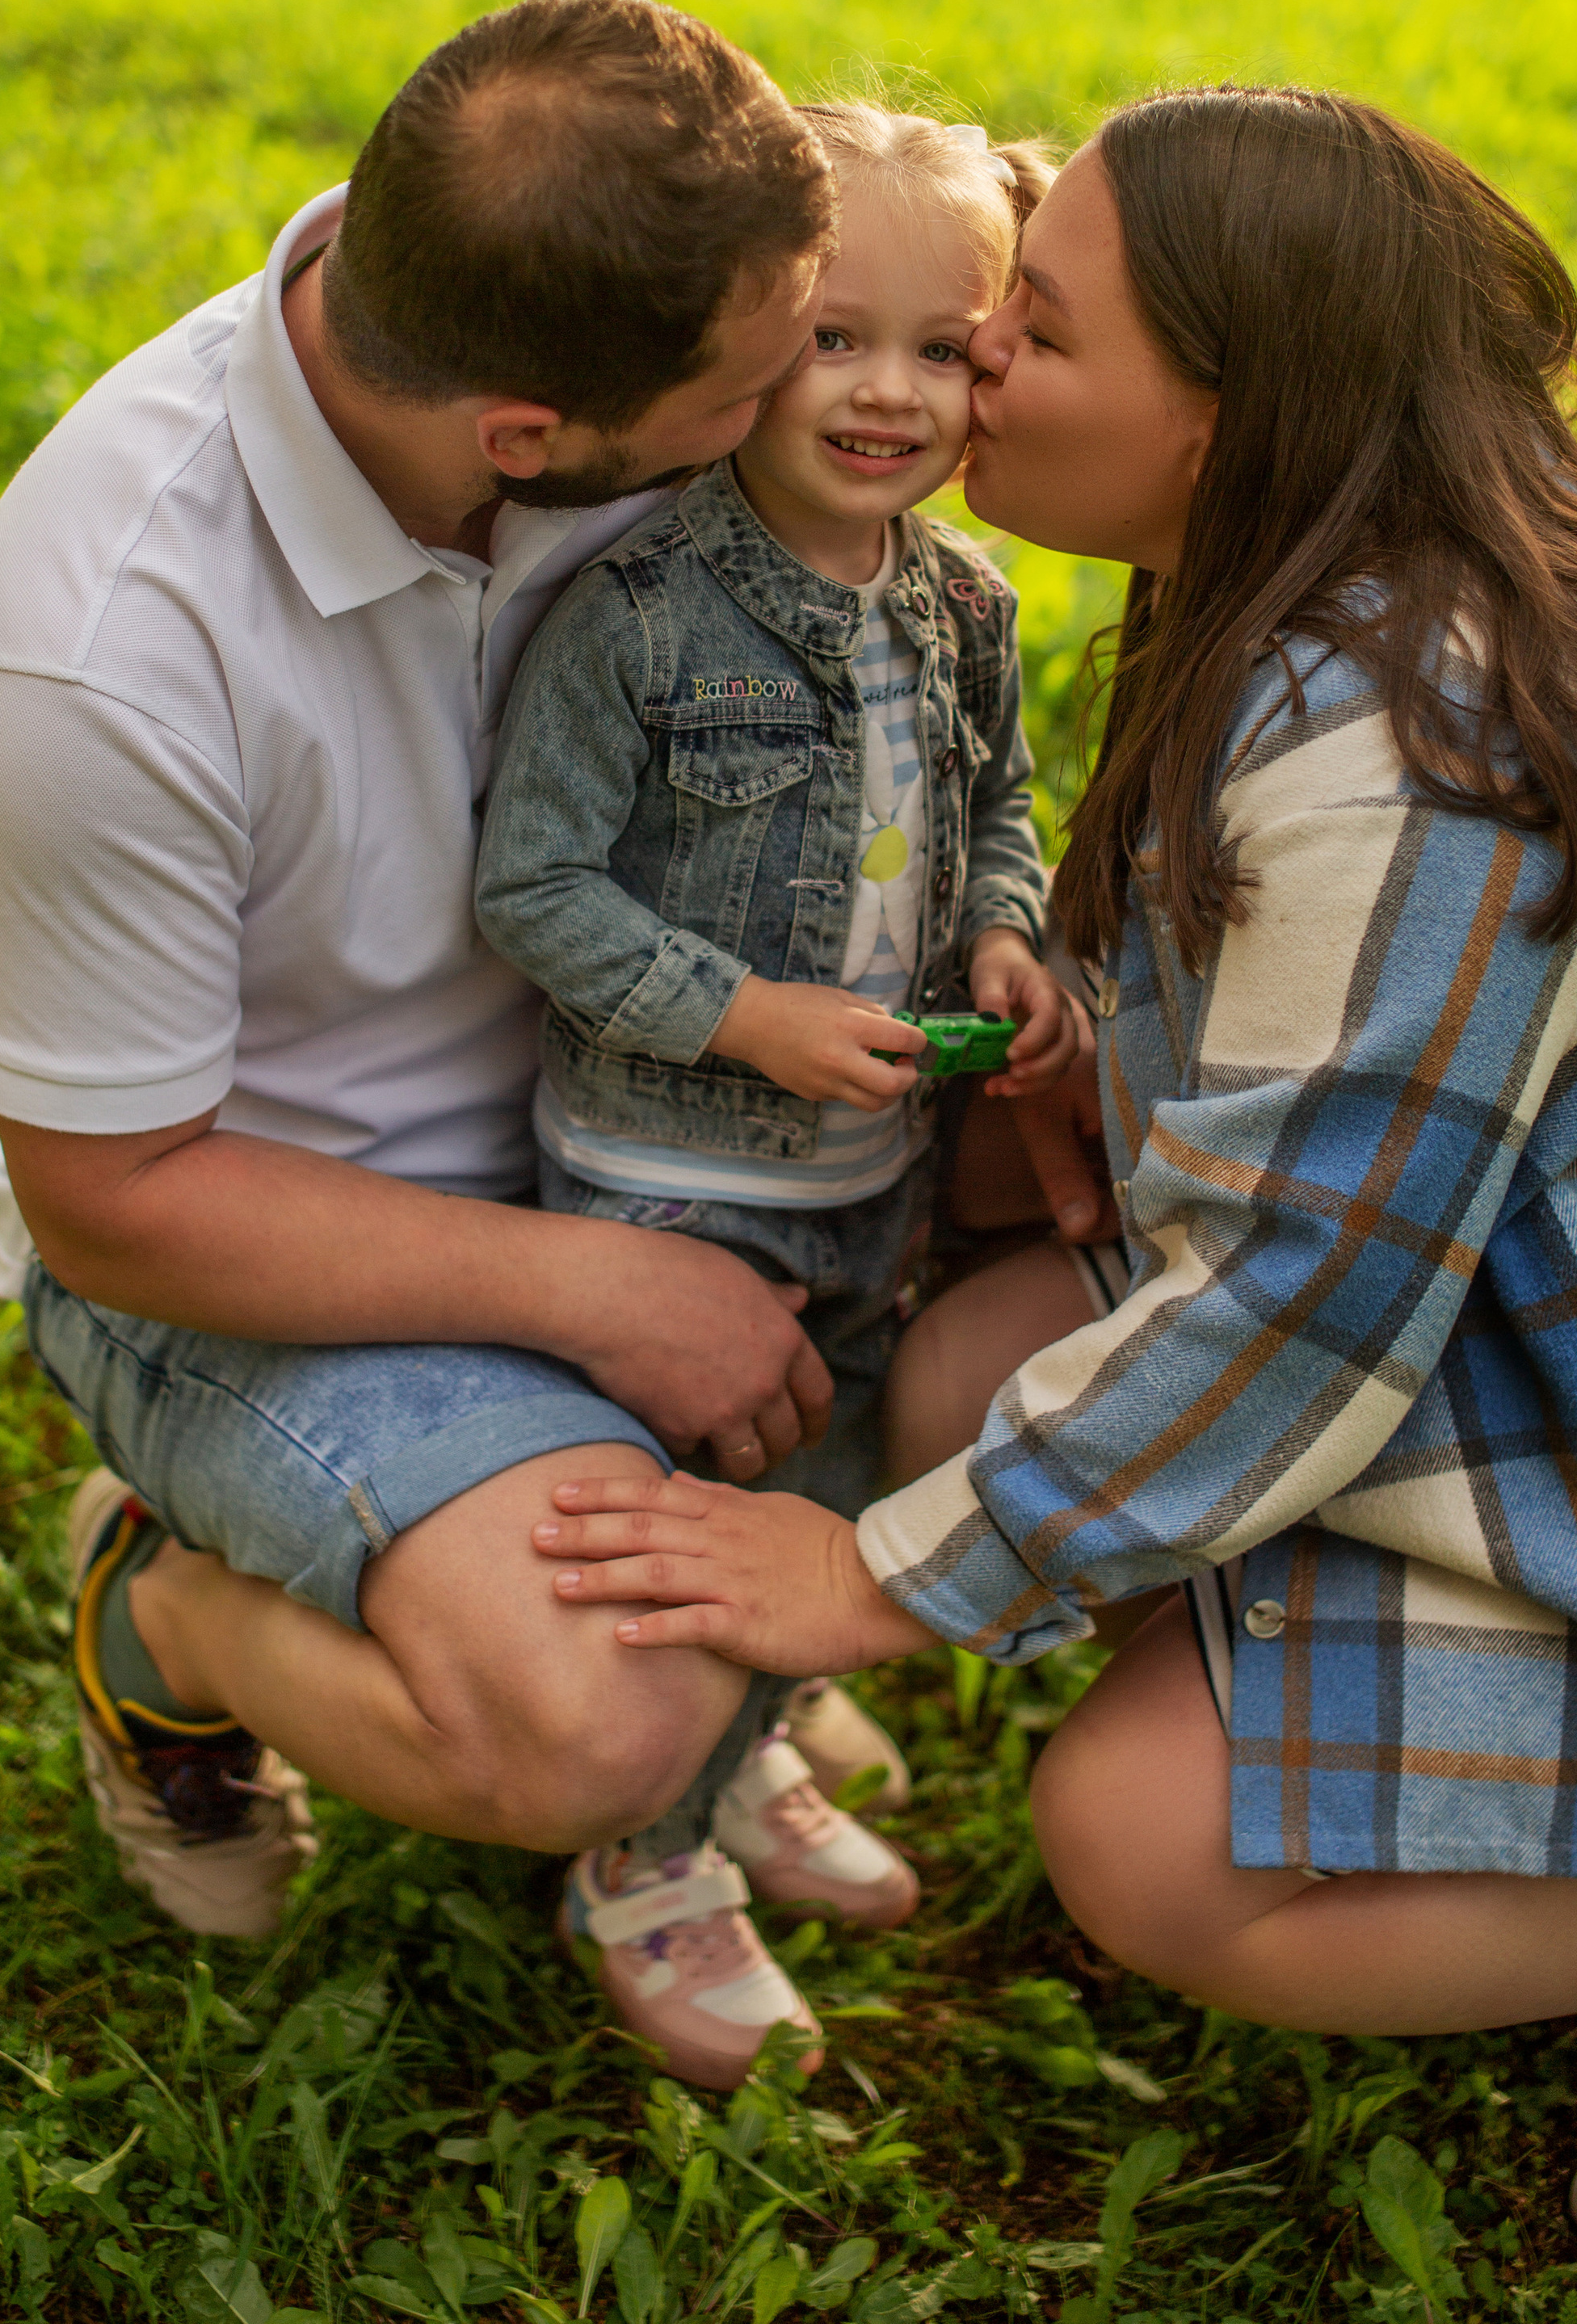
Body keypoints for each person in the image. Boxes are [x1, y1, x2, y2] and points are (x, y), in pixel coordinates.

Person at [528, 84, 1577, 2267]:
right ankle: (1559, 1847)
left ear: (1232, 413)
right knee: (972, 1372)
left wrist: (871, 1584)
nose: (973, 362)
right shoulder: (1303, 594)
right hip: (1510, 1292)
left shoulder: (1428, 739)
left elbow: (1306, 1296)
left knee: (1144, 1844)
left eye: (1038, 319)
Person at [0, 0, 1020, 1962]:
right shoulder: (102, 655)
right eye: (764, 378)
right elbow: (117, 1202)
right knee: (603, 1712)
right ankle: (157, 1613)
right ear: (532, 441)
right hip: (263, 1253)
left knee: (817, 1490)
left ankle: (676, 1655)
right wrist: (608, 1291)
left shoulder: (541, 291)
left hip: (644, 1130)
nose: (817, 403)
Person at [475, 103, 1078, 2082]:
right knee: (683, 1515)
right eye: (834, 338)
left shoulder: (964, 607)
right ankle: (639, 1859)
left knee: (814, 1483)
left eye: (941, 343)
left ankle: (736, 1764)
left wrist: (1002, 934)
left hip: (871, 1171)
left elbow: (994, 808)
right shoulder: (638, 621)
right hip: (666, 1180)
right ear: (749, 344)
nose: (887, 392)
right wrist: (739, 1017)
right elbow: (534, 889)